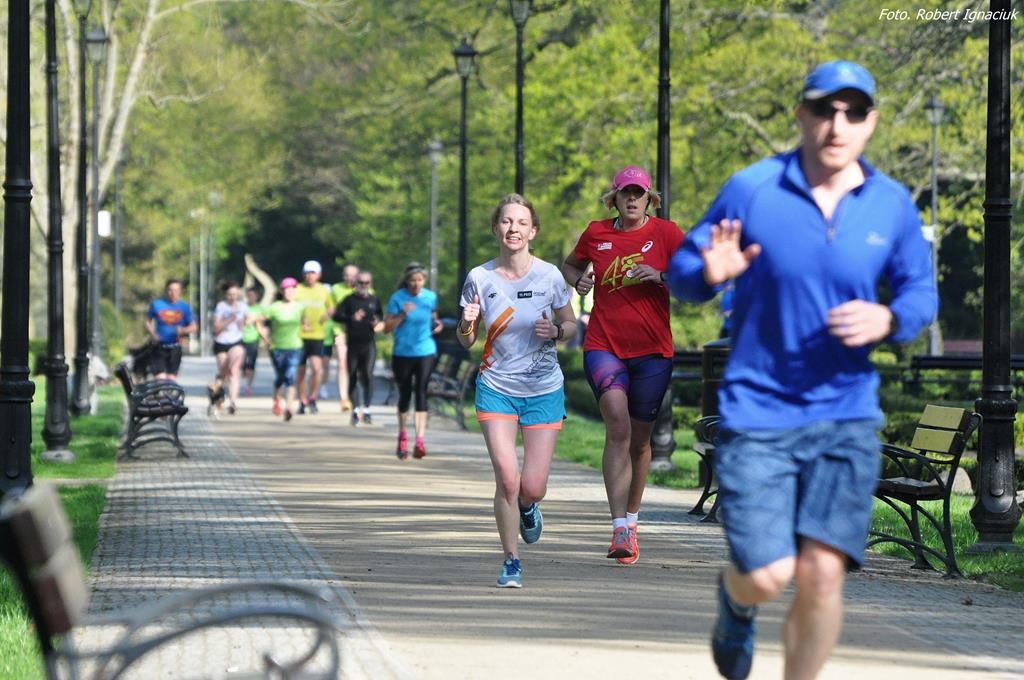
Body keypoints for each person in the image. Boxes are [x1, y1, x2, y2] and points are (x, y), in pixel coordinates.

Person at [667, 61, 936, 680]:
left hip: (845, 413)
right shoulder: (754, 188)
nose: (837, 125)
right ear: (801, 115)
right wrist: (707, 272)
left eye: (853, 112)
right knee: (767, 576)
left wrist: (889, 317)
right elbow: (681, 269)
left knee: (822, 574)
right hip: (758, 410)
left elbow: (921, 292)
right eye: (823, 110)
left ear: (871, 122)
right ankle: (736, 600)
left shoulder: (891, 205)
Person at [561, 165, 685, 566]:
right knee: (617, 423)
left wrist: (661, 275)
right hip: (604, 344)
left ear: (650, 199)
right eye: (625, 193)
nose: (632, 199)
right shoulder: (596, 232)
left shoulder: (667, 234)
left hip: (652, 351)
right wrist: (579, 280)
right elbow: (570, 265)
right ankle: (617, 526)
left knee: (640, 442)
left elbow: (695, 277)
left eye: (639, 193)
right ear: (613, 198)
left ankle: (632, 521)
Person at [459, 193, 576, 588]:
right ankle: (511, 560)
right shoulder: (479, 278)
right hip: (496, 387)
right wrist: (467, 322)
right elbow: (466, 341)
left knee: (532, 487)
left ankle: (529, 506)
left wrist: (555, 331)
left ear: (533, 231)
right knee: (507, 479)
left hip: (543, 389)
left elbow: (571, 325)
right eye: (507, 221)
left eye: (522, 222)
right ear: (496, 229)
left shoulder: (550, 276)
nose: (514, 228)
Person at [383, 262, 443, 459]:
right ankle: (402, 436)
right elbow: (386, 328)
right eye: (413, 281)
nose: (416, 284)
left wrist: (437, 325)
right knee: (405, 394)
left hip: (426, 350)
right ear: (407, 282)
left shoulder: (430, 297)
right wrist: (402, 314)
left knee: (422, 391)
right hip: (403, 352)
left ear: (424, 281)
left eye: (420, 280)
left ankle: (420, 440)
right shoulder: (397, 298)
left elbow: (433, 318)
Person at [333, 269, 384, 426]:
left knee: (368, 374)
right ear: (355, 283)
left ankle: (367, 408)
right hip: (353, 344)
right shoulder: (349, 300)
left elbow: (380, 315)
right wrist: (351, 318)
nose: (363, 285)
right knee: (353, 375)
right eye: (360, 282)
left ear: (370, 284)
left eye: (366, 283)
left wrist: (377, 322)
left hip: (368, 344)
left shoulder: (374, 299)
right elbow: (336, 316)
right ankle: (355, 409)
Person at [259, 276, 306, 422]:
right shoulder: (274, 307)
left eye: (292, 289)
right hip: (277, 348)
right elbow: (258, 321)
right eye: (286, 289)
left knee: (290, 376)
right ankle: (276, 399)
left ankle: (289, 407)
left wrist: (306, 327)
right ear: (282, 291)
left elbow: (306, 323)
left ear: (296, 291)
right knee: (280, 377)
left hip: (295, 347)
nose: (289, 292)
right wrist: (265, 337)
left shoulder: (300, 307)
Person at [293, 260, 335, 414]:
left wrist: (327, 314)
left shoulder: (324, 290)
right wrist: (300, 319)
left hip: (317, 335)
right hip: (299, 335)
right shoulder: (298, 289)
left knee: (317, 368)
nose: (309, 276)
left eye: (313, 273)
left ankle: (313, 397)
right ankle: (302, 399)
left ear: (319, 275)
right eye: (307, 272)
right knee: (301, 370)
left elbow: (332, 307)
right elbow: (290, 306)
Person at [144, 278, 197, 381]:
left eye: (176, 290)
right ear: (166, 290)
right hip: (159, 346)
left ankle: (168, 390)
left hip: (175, 347)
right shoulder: (156, 304)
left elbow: (194, 327)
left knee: (171, 379)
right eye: (170, 290)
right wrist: (153, 334)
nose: (173, 293)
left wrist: (183, 330)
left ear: (180, 291)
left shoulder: (184, 307)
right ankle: (161, 389)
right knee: (160, 378)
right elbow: (147, 321)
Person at [211, 281, 248, 414]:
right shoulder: (221, 306)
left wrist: (246, 322)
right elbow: (216, 327)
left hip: (236, 342)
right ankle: (217, 391)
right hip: (221, 342)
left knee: (233, 371)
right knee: (223, 373)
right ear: (226, 295)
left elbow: (246, 322)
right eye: (230, 294)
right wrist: (229, 320)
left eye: (235, 294)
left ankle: (233, 402)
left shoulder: (243, 307)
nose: (232, 297)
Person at [330, 263, 361, 411]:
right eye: (347, 275)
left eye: (353, 275)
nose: (350, 278)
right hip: (341, 331)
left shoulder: (365, 289)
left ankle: (355, 394)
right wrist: (335, 332)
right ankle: (344, 398)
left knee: (357, 366)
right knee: (343, 364)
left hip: (360, 333)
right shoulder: (336, 289)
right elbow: (332, 312)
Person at [241, 287, 266, 396]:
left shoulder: (260, 309)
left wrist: (265, 338)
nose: (251, 297)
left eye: (253, 295)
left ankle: (249, 386)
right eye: (249, 295)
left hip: (253, 339)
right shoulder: (242, 307)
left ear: (256, 297)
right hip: (241, 338)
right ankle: (243, 372)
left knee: (251, 364)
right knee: (241, 363)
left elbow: (262, 323)